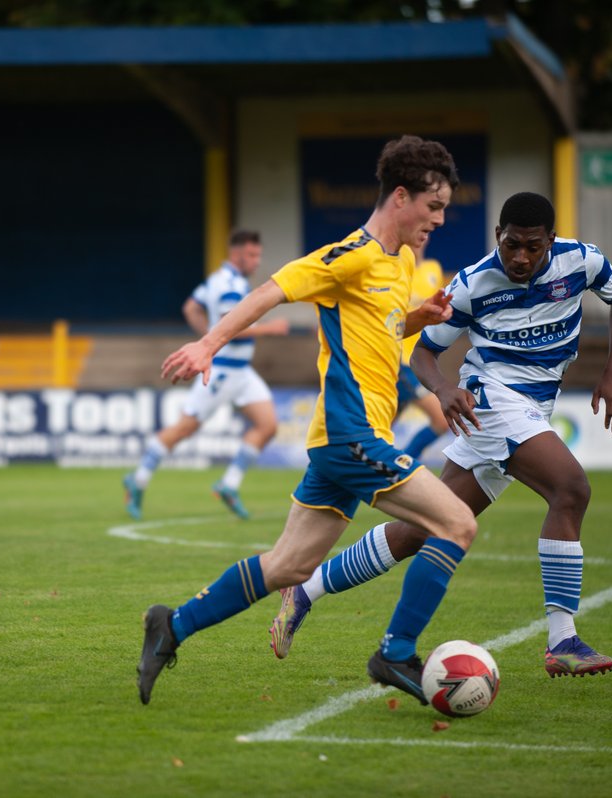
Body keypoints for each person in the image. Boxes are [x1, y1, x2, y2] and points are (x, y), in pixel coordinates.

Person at [137, 135, 475, 707]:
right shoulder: (350, 256)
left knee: (289, 565)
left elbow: (378, 330)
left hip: (343, 442)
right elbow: (272, 290)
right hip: (351, 436)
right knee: (457, 524)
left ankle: (172, 624)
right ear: (400, 196)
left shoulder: (403, 262)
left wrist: (414, 318)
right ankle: (395, 654)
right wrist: (209, 343)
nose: (439, 220)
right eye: (433, 206)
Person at [269, 191, 612, 679]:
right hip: (490, 398)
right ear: (497, 237)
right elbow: (423, 351)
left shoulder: (583, 261)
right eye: (511, 245)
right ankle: (563, 640)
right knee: (570, 488)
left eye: (532, 246)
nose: (520, 257)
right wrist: (442, 388)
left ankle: (306, 588)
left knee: (423, 528)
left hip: (534, 406)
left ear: (551, 240)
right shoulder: (472, 284)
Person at [122, 230, 289, 520]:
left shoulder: (216, 280)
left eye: (257, 254)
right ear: (236, 254)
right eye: (252, 255)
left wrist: (207, 337)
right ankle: (137, 480)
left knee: (268, 425)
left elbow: (191, 307)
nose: (256, 260)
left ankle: (228, 485)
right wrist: (268, 329)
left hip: (242, 372)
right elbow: (232, 327)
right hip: (222, 371)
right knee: (184, 428)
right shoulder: (230, 285)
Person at [395, 241, 450, 459]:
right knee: (441, 420)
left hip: (420, 362)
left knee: (377, 432)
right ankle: (404, 464)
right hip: (400, 363)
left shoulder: (432, 269)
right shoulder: (395, 272)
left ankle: (374, 475)